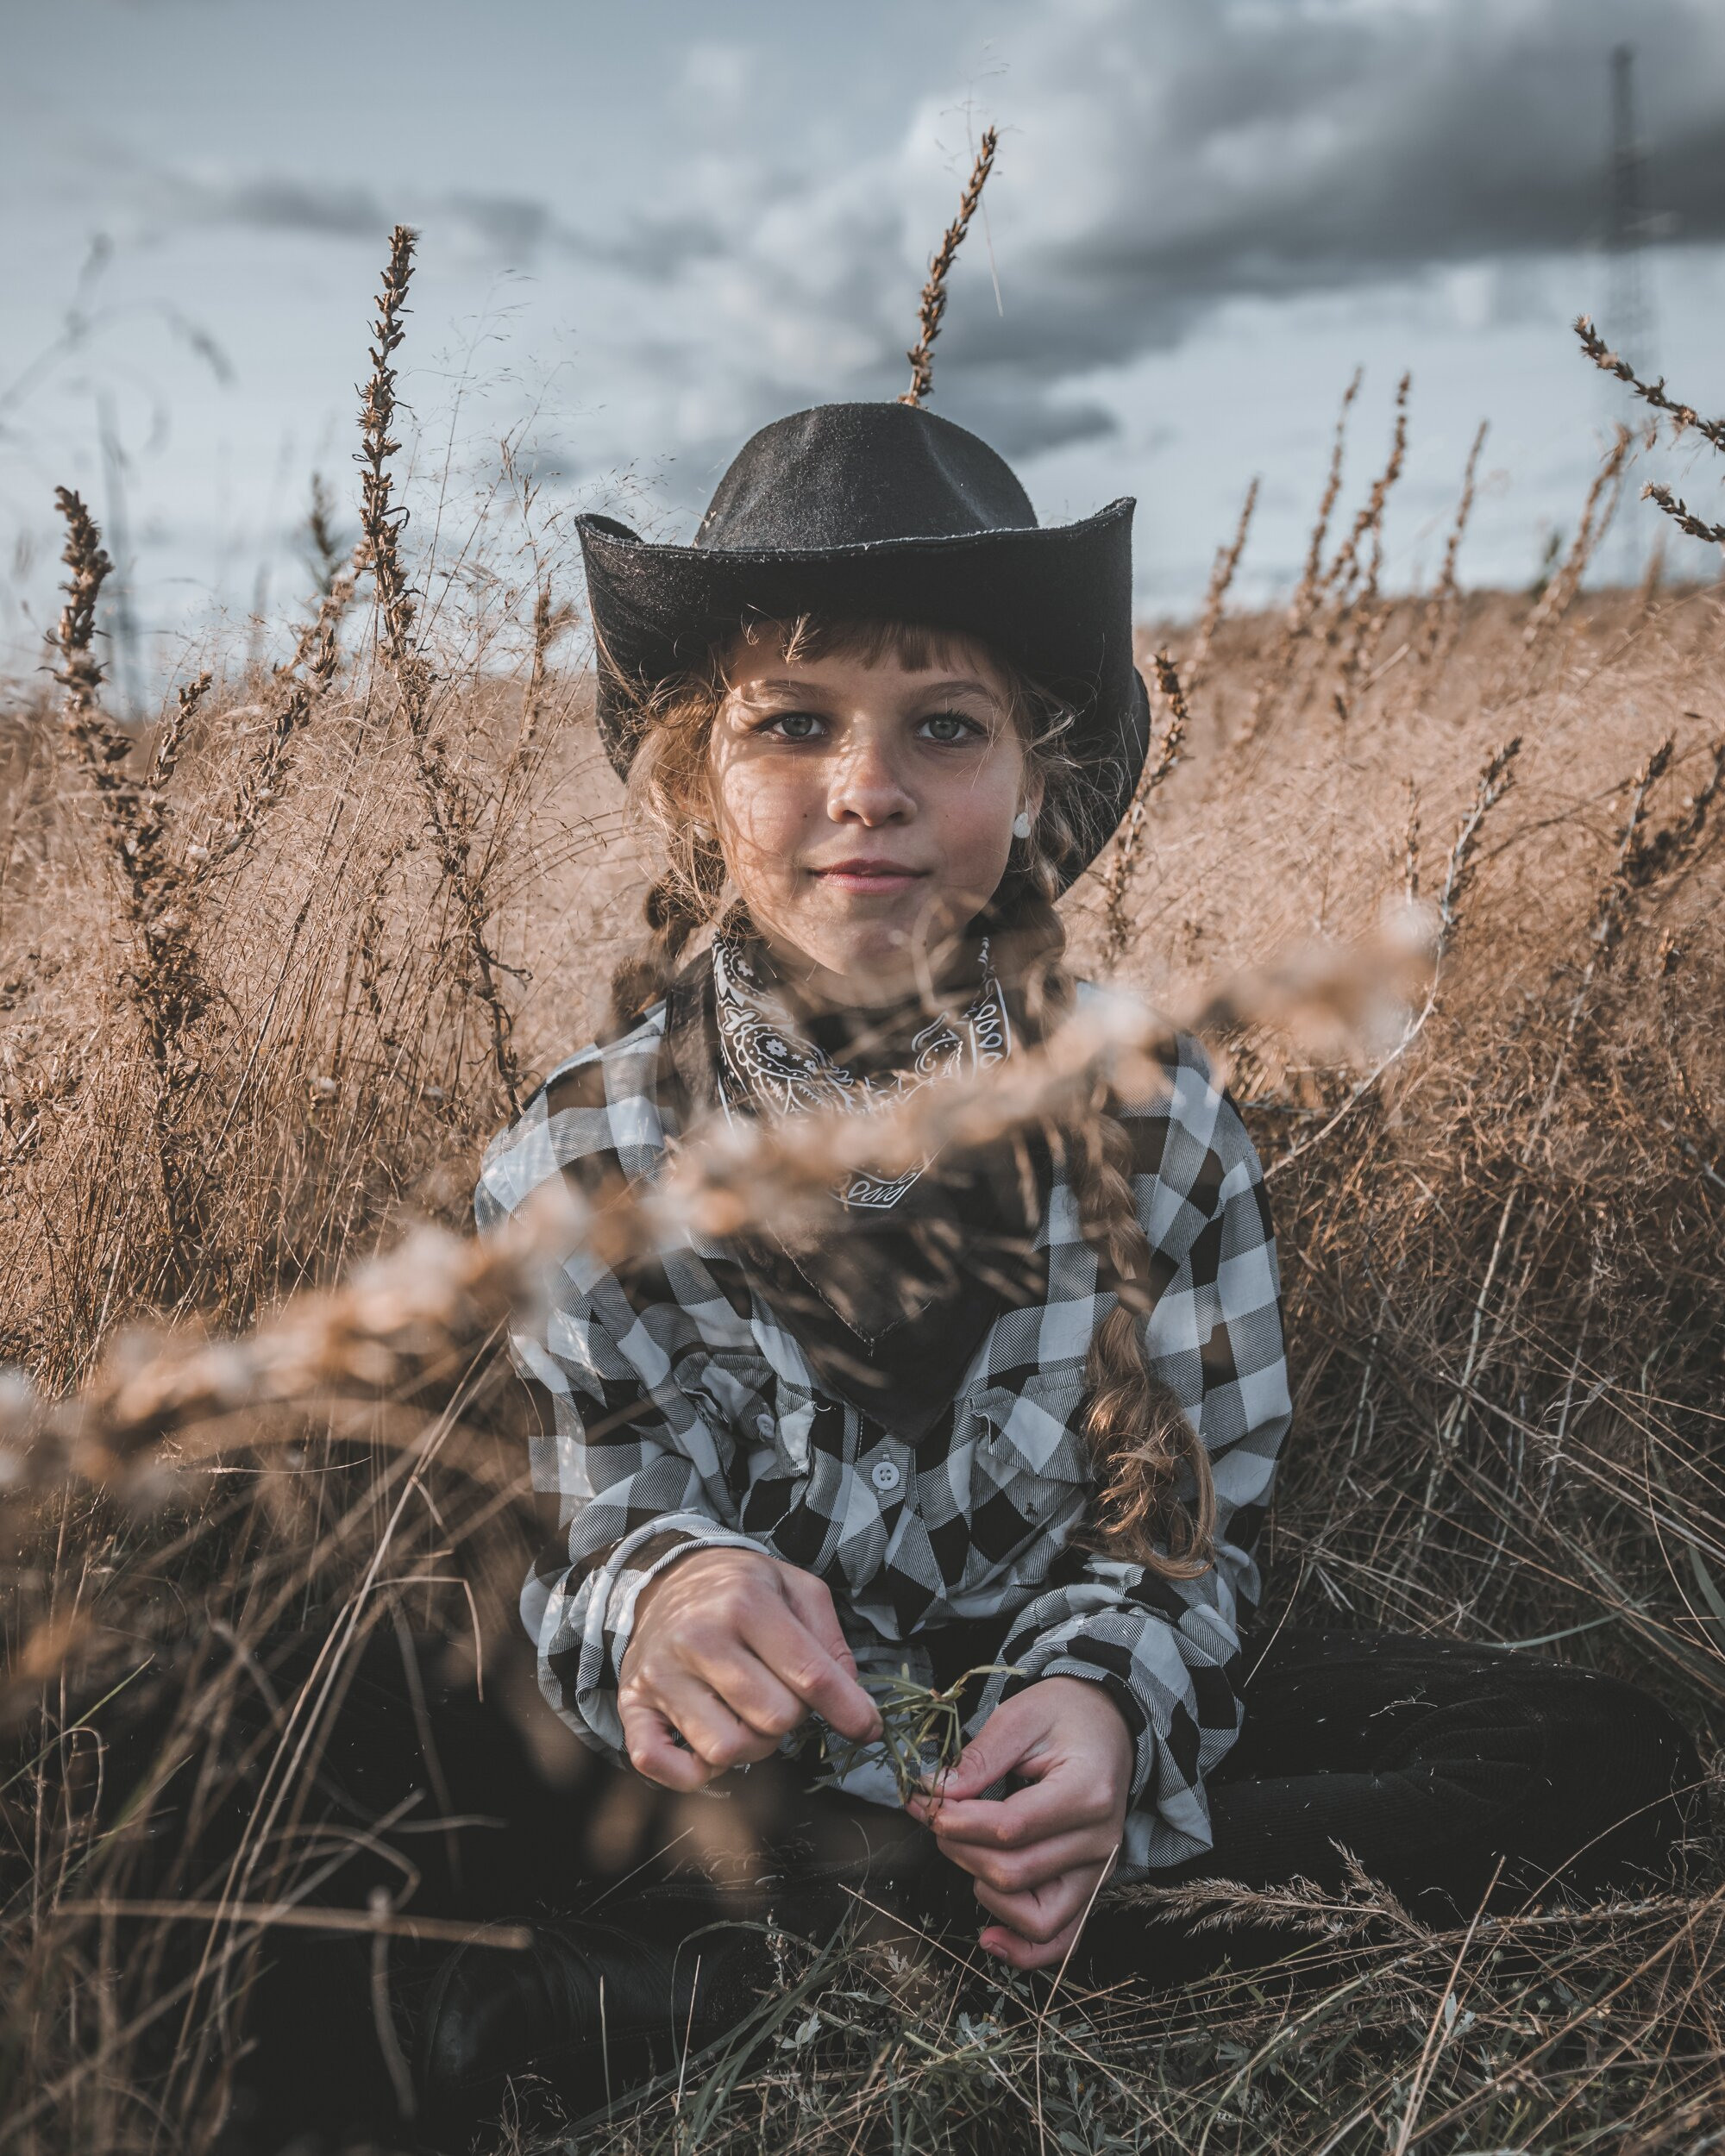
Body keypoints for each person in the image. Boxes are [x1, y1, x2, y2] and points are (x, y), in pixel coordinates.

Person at [396, 401, 1699, 2139]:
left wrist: (1097, 1697)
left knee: (1614, 1760)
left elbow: (1180, 1524)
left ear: (1033, 779)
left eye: (944, 727)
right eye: (794, 726)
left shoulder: (1154, 1119)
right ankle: (927, 1915)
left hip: (1034, 1674)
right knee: (405, 1718)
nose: (867, 787)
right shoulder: (578, 1157)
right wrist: (672, 1597)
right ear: (703, 782)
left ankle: (803, 1944)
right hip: (745, 1773)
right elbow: (589, 1511)